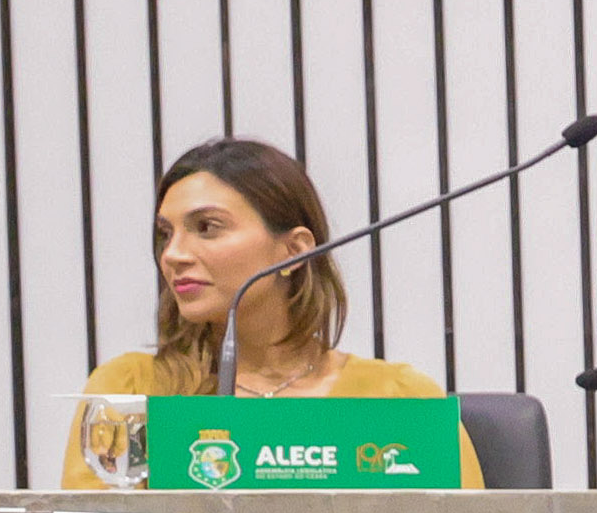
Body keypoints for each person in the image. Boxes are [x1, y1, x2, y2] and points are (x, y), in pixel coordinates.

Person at [59, 138, 477, 488]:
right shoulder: (129, 393)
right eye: (165, 234)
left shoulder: (398, 399)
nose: (173, 254)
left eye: (207, 227)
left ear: (294, 251)